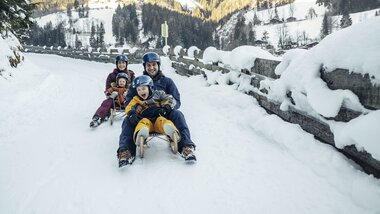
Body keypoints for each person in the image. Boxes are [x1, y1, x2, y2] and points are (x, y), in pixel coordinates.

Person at [118, 74, 196, 166]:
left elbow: (171, 99)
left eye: (143, 88)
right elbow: (129, 106)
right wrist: (131, 114)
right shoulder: (136, 99)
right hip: (145, 120)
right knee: (142, 124)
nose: (141, 91)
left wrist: (166, 107)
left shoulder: (158, 94)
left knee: (164, 121)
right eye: (138, 90)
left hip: (160, 117)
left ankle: (181, 142)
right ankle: (128, 148)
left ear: (150, 87)